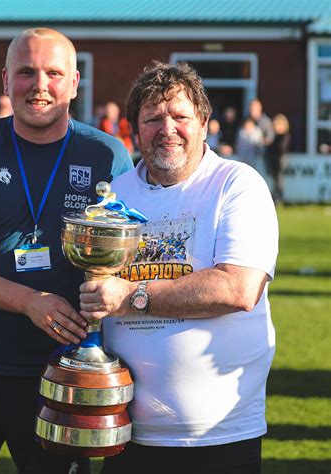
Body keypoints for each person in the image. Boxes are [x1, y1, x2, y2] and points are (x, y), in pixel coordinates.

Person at [0, 27, 133, 474]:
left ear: (74, 83)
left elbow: (130, 253)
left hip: (61, 372)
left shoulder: (106, 154)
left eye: (53, 73)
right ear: (5, 81)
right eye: (26, 72)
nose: (39, 85)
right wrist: (29, 302)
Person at [79, 61, 278, 474]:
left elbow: (238, 289)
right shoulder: (115, 195)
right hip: (126, 433)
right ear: (135, 130)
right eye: (152, 118)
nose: (167, 128)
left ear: (203, 123)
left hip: (219, 435)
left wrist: (130, 296)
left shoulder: (236, 184)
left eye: (180, 116)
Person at [265, 113, 291, 203]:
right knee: (275, 178)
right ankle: (277, 195)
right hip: (274, 159)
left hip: (280, 159)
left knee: (279, 178)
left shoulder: (284, 136)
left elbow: (282, 148)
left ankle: (279, 196)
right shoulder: (274, 136)